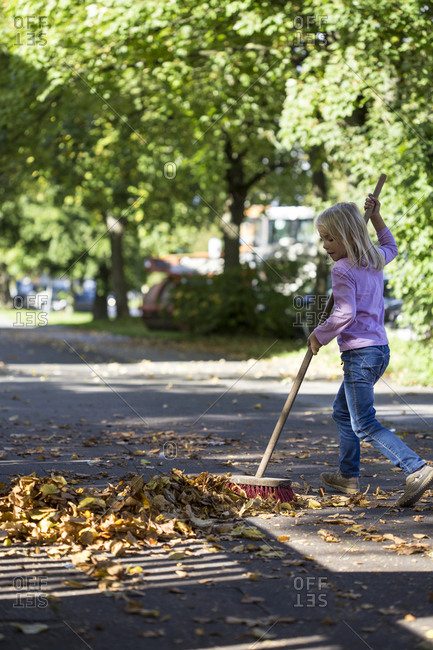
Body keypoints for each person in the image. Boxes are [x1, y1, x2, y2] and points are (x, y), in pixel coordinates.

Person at [307, 194, 433, 507]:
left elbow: (345, 314)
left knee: (363, 423)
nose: (325, 245)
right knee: (343, 412)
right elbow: (391, 244)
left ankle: (415, 468)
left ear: (349, 236)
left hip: (360, 354)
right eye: (322, 239)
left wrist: (318, 335)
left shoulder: (342, 270)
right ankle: (347, 476)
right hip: (379, 350)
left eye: (329, 238)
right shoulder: (374, 258)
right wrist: (376, 217)